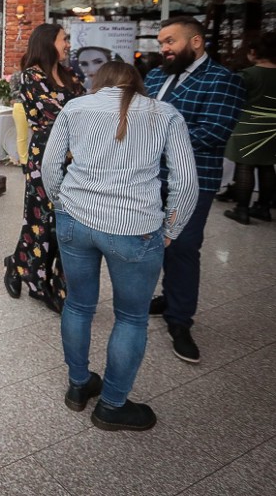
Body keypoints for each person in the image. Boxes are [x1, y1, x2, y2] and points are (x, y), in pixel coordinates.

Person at [43, 62, 198, 431]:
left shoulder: (76, 107)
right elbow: (187, 183)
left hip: (75, 221)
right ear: (137, 84)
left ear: (100, 82)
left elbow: (48, 167)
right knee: (131, 317)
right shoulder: (165, 114)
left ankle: (79, 386)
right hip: (135, 229)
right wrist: (172, 229)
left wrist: (61, 205)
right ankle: (112, 405)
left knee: (79, 305)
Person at [144, 16, 246, 363]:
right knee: (149, 242)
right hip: (146, 177)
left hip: (191, 180)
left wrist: (156, 143)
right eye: (161, 43)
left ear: (197, 42)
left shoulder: (222, 79)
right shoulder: (156, 76)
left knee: (183, 246)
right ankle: (166, 297)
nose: (164, 49)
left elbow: (214, 131)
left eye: (170, 41)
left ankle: (180, 320)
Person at [3, 23, 85, 312]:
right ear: (49, 41)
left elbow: (85, 108)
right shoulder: (30, 76)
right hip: (45, 156)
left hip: (75, 159)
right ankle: (36, 282)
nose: (68, 44)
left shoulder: (70, 75)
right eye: (65, 39)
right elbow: (56, 113)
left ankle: (17, 264)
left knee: (61, 222)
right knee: (41, 220)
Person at [223, 33, 276, 224]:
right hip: (273, 127)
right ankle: (264, 208)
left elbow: (232, 100)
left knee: (244, 166)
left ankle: (242, 209)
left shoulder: (247, 75)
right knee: (267, 166)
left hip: (247, 125)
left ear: (254, 52)